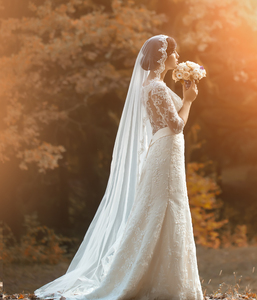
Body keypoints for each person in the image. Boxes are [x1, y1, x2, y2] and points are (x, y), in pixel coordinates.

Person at [34, 35, 203, 300]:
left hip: (166, 149)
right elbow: (177, 125)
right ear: (162, 56)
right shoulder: (156, 87)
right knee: (165, 205)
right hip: (166, 149)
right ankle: (159, 281)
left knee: (165, 206)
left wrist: (185, 92)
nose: (178, 57)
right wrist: (190, 100)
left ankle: (161, 278)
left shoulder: (153, 85)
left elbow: (170, 116)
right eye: (174, 52)